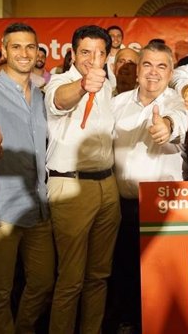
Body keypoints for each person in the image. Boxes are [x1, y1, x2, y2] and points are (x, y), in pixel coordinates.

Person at [0, 22, 54, 334]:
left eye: (30, 46)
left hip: (37, 205)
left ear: (38, 51)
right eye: (16, 46)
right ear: (4, 50)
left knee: (43, 281)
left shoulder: (42, 97)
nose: (24, 53)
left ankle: (24, 328)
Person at [109, 41, 188, 333]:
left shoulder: (176, 102)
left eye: (161, 66)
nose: (153, 73)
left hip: (163, 206)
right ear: (138, 69)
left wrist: (165, 127)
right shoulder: (116, 103)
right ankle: (128, 322)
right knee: (125, 272)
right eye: (147, 65)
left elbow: (178, 119)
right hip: (122, 204)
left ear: (170, 72)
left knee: (162, 276)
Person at [44, 25, 120, 334]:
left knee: (99, 276)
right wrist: (82, 86)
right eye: (86, 52)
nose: (94, 59)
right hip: (71, 186)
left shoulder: (108, 82)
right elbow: (60, 101)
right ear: (73, 53)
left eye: (101, 53)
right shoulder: (60, 82)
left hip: (107, 185)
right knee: (71, 278)